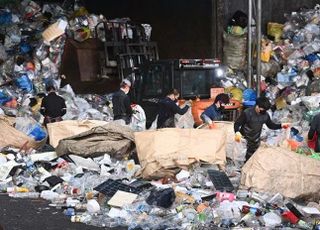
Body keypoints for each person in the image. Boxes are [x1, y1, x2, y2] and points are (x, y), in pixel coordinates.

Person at [234, 97, 289, 161]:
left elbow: (271, 125)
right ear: (257, 106)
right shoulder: (247, 113)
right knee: (240, 157)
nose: (262, 112)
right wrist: (237, 132)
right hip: (243, 139)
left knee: (251, 159)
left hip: (255, 141)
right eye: (262, 110)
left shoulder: (265, 115)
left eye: (265, 110)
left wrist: (281, 125)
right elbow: (237, 124)